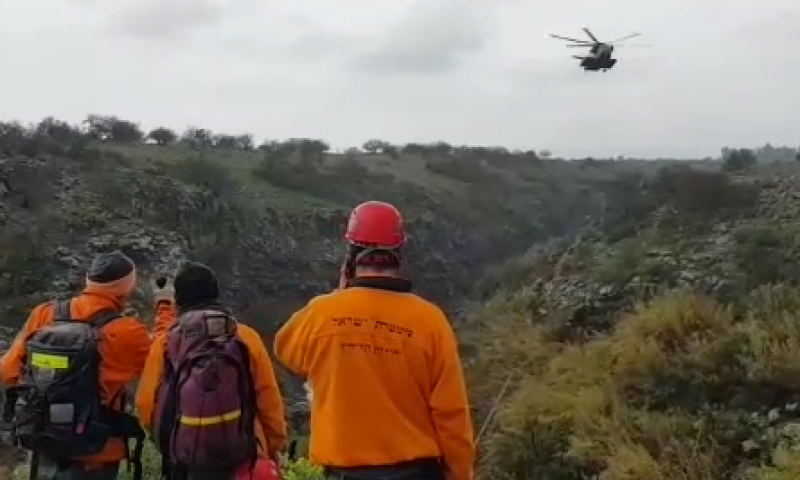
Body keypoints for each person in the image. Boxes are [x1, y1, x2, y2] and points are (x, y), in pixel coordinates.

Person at [274, 200, 476, 480]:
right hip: (416, 472)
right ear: (399, 253)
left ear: (351, 256)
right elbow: (451, 414)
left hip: (343, 473)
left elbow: (286, 351)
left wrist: (339, 296)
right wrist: (460, 473)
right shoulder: (430, 320)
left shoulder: (321, 314)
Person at [0, 251, 175, 480]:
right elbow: (164, 353)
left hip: (44, 440)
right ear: (127, 288)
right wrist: (165, 305)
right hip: (96, 450)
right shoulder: (126, 332)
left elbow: (8, 371)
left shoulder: (45, 313)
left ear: (88, 281)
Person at [136, 261, 287, 480]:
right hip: (243, 454)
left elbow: (145, 404)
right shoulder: (244, 336)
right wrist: (273, 447)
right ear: (216, 294)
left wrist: (169, 444)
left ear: (178, 301)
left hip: (188, 461)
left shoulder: (166, 343)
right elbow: (268, 399)